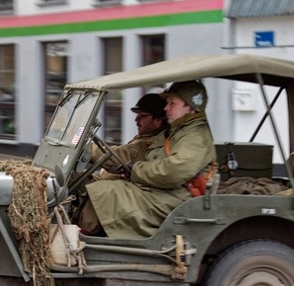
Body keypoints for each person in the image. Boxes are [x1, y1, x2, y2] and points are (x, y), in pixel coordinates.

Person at [78, 80, 216, 239]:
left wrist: (135, 170)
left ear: (191, 107)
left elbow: (174, 171)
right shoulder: (180, 131)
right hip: (165, 191)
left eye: (172, 103)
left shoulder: (194, 136)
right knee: (108, 188)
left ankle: (84, 240)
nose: (166, 108)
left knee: (107, 191)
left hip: (176, 198)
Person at [89, 93, 170, 179]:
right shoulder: (145, 136)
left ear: (158, 121)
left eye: (142, 116)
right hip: (106, 179)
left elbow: (120, 155)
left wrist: (89, 149)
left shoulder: (151, 143)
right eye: (137, 115)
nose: (136, 120)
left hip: (115, 185)